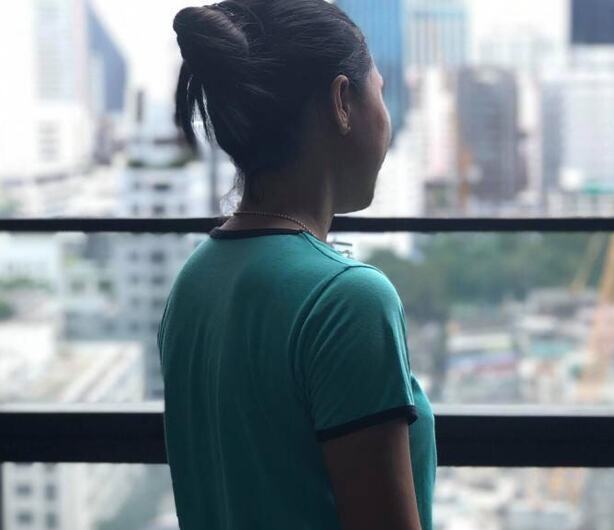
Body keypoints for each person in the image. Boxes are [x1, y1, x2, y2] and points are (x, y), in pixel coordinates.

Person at [158, 1, 434, 529]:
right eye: (380, 90)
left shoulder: (195, 281)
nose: (387, 117)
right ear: (342, 101)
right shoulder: (347, 299)